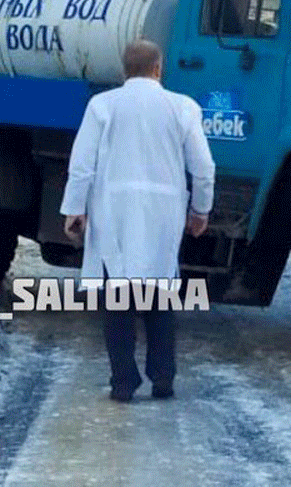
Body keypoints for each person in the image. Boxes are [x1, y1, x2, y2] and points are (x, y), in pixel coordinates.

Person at [61, 39, 215, 403]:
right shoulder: (183, 108)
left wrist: (74, 209)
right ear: (159, 69)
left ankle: (123, 382)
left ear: (123, 70)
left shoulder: (103, 106)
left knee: (118, 297)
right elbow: (204, 168)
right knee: (159, 294)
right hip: (165, 212)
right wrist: (200, 211)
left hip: (114, 209)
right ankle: (163, 377)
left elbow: (82, 164)